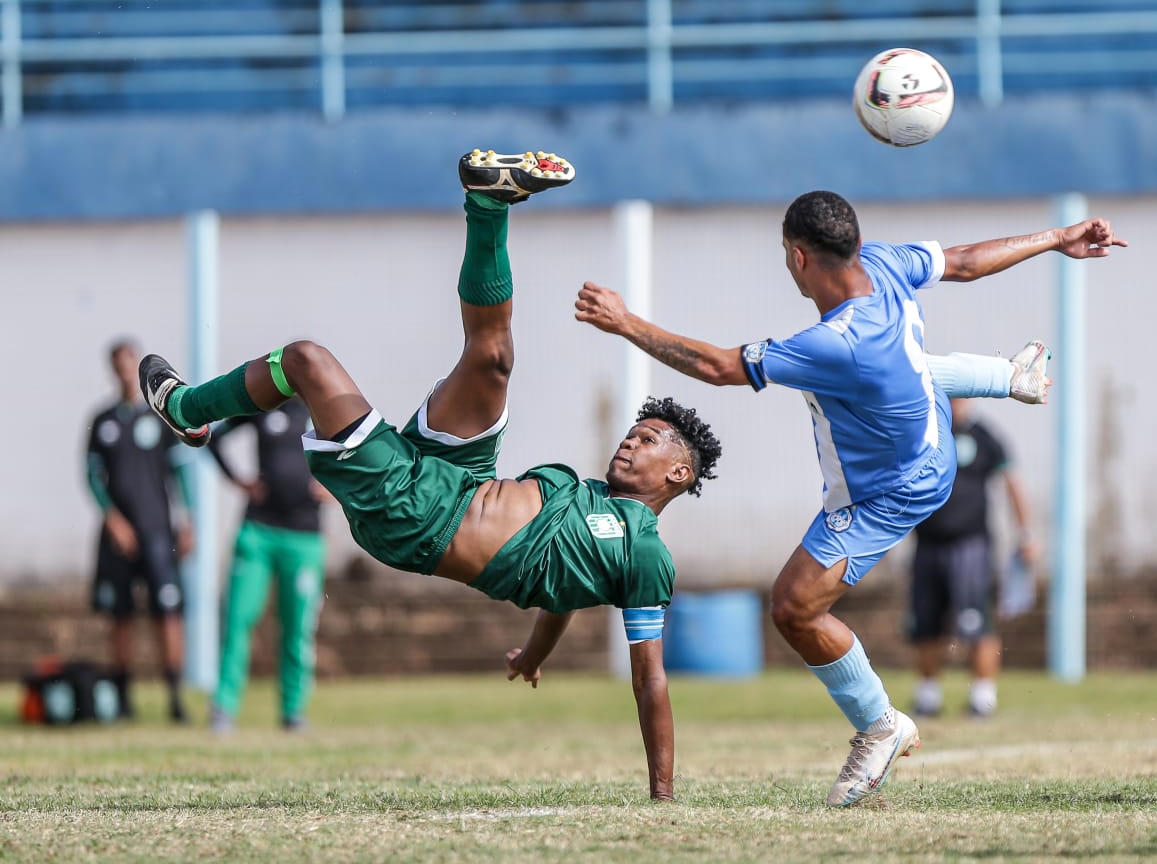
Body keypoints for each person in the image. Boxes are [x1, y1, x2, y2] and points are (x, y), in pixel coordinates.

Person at [139, 149, 721, 801]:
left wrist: (662, 795)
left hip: (417, 515)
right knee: (493, 357)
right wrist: (536, 653)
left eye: (647, 442)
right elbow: (561, 592)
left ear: (676, 472)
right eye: (633, 431)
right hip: (463, 476)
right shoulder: (589, 500)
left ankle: (188, 410)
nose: (629, 442)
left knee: (306, 359)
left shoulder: (646, 555)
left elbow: (651, 679)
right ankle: (489, 202)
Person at [575, 189, 1126, 807]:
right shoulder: (886, 264)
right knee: (899, 365)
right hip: (929, 436)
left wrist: (626, 322)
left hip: (888, 492)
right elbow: (966, 260)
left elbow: (722, 368)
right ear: (857, 244)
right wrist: (1056, 238)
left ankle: (879, 724)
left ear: (799, 256)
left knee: (793, 607)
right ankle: (1003, 376)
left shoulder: (834, 345)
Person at [205, 401, 331, 734]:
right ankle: (223, 708)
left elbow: (363, 450)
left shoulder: (325, 408)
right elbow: (213, 439)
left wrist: (338, 487)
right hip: (258, 532)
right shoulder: (263, 406)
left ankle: (293, 710)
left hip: (305, 537)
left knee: (297, 626)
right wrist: (239, 481)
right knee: (237, 618)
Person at [85, 338, 193, 722]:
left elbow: (180, 471)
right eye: (117, 363)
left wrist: (188, 519)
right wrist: (113, 520)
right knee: (121, 615)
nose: (123, 369)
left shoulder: (158, 419)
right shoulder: (103, 421)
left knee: (169, 612)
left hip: (158, 531)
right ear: (111, 368)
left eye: (129, 362)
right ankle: (124, 699)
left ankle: (176, 699)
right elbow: (93, 476)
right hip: (119, 537)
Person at [907, 396, 1035, 719]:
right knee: (925, 623)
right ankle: (928, 696)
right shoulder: (925, 435)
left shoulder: (984, 436)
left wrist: (1026, 535)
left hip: (971, 547)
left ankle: (982, 696)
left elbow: (1012, 483)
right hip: (927, 545)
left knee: (978, 622)